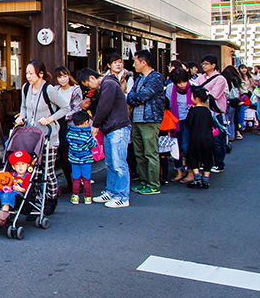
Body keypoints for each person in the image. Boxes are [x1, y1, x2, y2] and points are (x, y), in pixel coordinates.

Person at [16, 60, 70, 215]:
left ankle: (51, 199)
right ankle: (36, 200)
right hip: (30, 137)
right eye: (26, 73)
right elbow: (24, 106)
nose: (28, 76)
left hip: (48, 137)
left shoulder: (49, 89)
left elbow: (65, 107)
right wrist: (22, 117)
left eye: (31, 73)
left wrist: (50, 119)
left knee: (47, 170)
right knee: (33, 171)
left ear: (40, 74)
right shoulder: (26, 88)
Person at [78, 67, 131, 208]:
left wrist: (95, 124)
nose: (90, 88)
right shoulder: (108, 83)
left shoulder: (108, 84)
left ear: (92, 78)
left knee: (119, 163)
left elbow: (104, 106)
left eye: (88, 85)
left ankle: (122, 196)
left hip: (117, 127)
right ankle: (112, 191)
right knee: (112, 163)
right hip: (112, 128)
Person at [126, 50, 165, 196]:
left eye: (135, 61)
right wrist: (135, 97)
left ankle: (154, 184)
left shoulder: (155, 77)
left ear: (144, 62)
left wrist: (134, 97)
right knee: (139, 153)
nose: (133, 64)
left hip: (150, 119)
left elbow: (143, 96)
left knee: (150, 152)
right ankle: (144, 181)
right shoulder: (140, 78)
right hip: (137, 119)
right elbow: (131, 96)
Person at [191, 55, 228, 172]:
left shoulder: (220, 79)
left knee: (217, 140)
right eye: (203, 64)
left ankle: (219, 164)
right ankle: (206, 162)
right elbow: (194, 90)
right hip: (202, 113)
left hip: (215, 113)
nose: (204, 66)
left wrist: (201, 92)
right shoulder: (200, 78)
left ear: (213, 65)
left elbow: (213, 95)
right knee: (204, 140)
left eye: (207, 64)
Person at [54, 66, 83, 189]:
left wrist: (62, 115)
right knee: (62, 156)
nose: (62, 79)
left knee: (70, 157)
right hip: (57, 125)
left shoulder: (75, 90)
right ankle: (70, 183)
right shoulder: (55, 90)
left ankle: (78, 182)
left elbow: (77, 108)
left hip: (70, 125)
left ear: (69, 76)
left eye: (65, 76)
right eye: (60, 77)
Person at [184, 88, 217, 189]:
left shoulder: (193, 110)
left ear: (197, 98)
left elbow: (188, 124)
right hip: (208, 138)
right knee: (207, 158)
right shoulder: (207, 111)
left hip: (195, 138)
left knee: (193, 157)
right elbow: (212, 124)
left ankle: (197, 178)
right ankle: (205, 180)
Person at [165, 67, 192, 183]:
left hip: (188, 121)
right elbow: (168, 105)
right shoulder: (170, 88)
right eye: (179, 83)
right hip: (175, 121)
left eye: (183, 82)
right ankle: (179, 171)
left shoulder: (193, 88)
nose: (181, 85)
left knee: (186, 146)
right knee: (176, 147)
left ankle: (190, 169)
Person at [66, 110, 96, 205]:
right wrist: (93, 137)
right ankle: (87, 197)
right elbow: (93, 145)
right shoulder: (87, 136)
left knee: (76, 179)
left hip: (74, 160)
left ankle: (75, 197)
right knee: (86, 180)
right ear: (87, 122)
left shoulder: (70, 134)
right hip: (86, 160)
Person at [221, 65, 243, 141]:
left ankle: (229, 135)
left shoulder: (226, 82)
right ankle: (232, 135)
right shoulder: (235, 80)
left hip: (229, 101)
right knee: (232, 119)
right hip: (235, 101)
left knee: (227, 119)